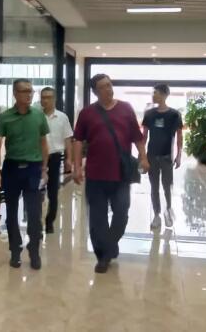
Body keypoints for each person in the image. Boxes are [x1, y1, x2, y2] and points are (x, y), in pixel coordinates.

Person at [73, 74, 150, 274]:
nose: (109, 89)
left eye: (109, 85)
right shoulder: (87, 113)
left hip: (120, 173)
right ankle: (103, 257)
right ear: (95, 91)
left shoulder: (125, 109)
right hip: (95, 174)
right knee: (97, 218)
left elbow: (137, 137)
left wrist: (143, 157)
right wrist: (77, 166)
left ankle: (109, 245)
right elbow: (78, 140)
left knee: (121, 213)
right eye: (103, 87)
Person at [0, 79, 50, 270]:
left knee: (34, 214)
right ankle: (15, 250)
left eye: (31, 91)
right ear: (15, 94)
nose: (29, 94)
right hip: (11, 168)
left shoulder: (39, 116)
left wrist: (45, 169)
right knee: (11, 213)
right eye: (25, 91)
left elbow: (44, 143)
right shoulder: (5, 118)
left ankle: (34, 251)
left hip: (33, 169)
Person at [141, 84, 183, 230]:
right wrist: (142, 156)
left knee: (167, 186)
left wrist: (179, 155)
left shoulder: (174, 115)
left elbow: (179, 136)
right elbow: (144, 136)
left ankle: (168, 210)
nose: (153, 95)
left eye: (156, 93)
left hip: (167, 157)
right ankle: (156, 215)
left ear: (165, 95)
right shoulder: (149, 114)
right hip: (152, 156)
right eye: (153, 93)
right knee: (154, 187)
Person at [40, 87, 74, 234]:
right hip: (37, 158)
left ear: (54, 99)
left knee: (53, 192)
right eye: (43, 97)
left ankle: (50, 222)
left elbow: (68, 139)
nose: (45, 100)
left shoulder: (62, 117)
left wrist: (69, 159)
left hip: (54, 158)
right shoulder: (36, 116)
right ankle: (35, 222)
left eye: (48, 97)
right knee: (35, 192)